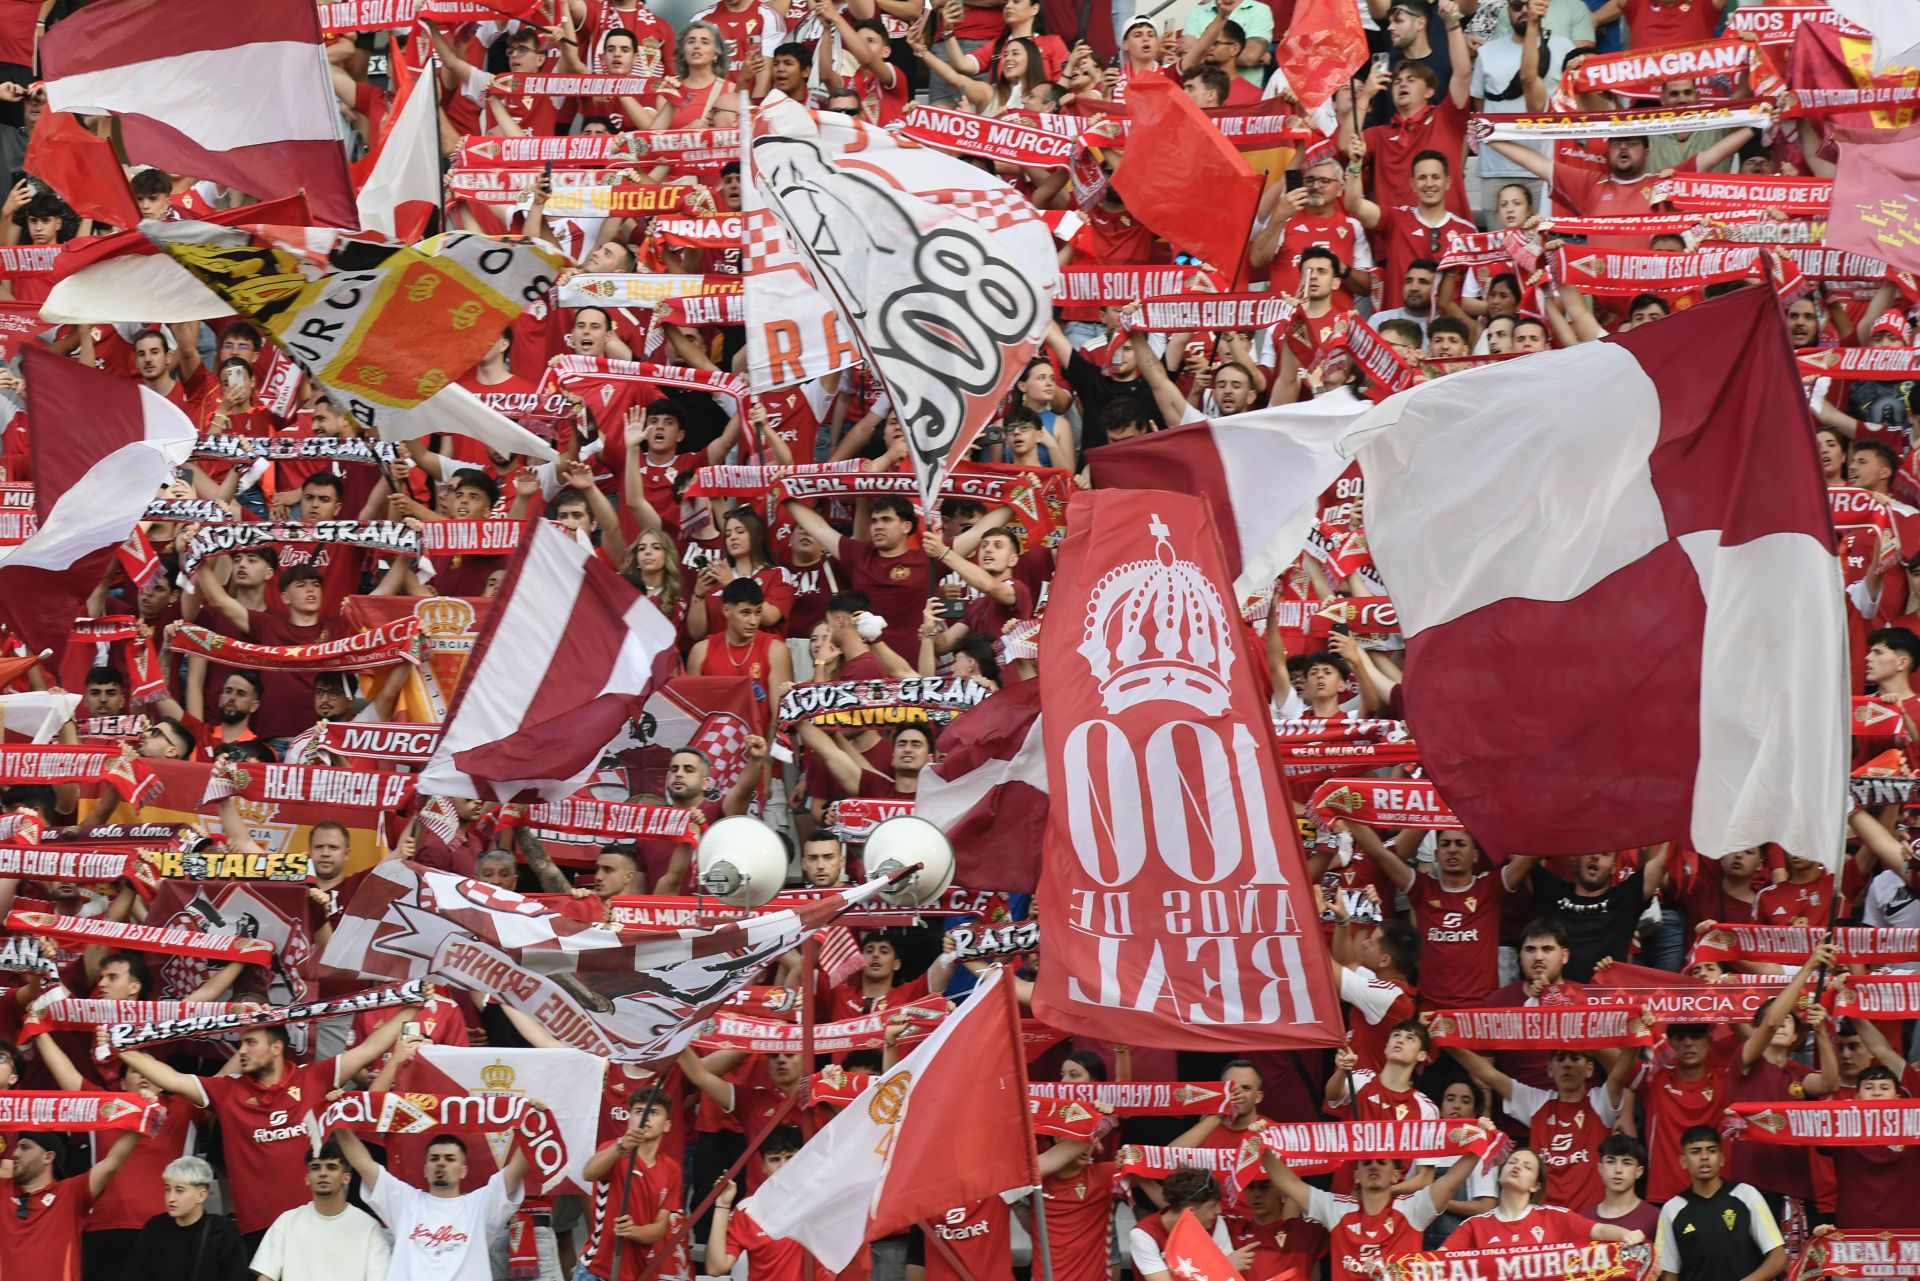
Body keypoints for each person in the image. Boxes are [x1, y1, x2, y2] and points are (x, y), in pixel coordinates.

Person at [115, 1009, 419, 1251]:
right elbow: (171, 1079)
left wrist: (411, 1007)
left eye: (250, 1043)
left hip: (316, 1222)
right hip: (258, 1230)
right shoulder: (226, 1090)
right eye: (240, 1043)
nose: (241, 1050)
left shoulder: (313, 1077)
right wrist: (121, 1048)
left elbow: (370, 1048)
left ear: (276, 1048)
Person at [331, 1124, 531, 1281]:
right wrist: (338, 1117)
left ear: (463, 1171)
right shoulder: (405, 1202)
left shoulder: (481, 1205)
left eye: (450, 1158)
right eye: (434, 1158)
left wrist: (534, 1125)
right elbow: (363, 1164)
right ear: (426, 1169)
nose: (441, 1163)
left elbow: (515, 1172)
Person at [0, 1130, 139, 1281]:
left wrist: (139, 1124)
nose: (15, 1153)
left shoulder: (70, 1193)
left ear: (48, 1157)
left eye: (25, 1147)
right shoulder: (3, 1190)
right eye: (17, 1147)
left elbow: (112, 1163)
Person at [250, 1140, 394, 1281]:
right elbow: (266, 1276)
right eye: (315, 1167)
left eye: (331, 1167)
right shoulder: (287, 1222)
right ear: (307, 1179)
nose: (322, 1173)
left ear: (346, 1178)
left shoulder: (370, 1228)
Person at [1654, 1128, 1784, 1281]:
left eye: (1711, 1150)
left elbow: (1778, 1258)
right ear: (1683, 1162)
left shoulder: (1747, 1194)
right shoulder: (1672, 1209)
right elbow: (1669, 1275)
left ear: (1722, 1158)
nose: (1704, 1157)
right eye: (1695, 1152)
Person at [1443, 1147, 1643, 1247]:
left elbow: (1599, 1230)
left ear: (1535, 1185)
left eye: (1527, 1166)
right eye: (1512, 1162)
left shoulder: (1554, 1217)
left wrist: (1629, 1235)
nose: (1517, 1167)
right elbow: (1438, 1263)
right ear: (1500, 1174)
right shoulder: (1474, 1225)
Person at [127, 1156, 249, 1281]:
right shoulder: (155, 1227)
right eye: (168, 1189)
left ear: (201, 1195)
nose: (171, 1198)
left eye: (179, 1190)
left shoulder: (223, 1232)